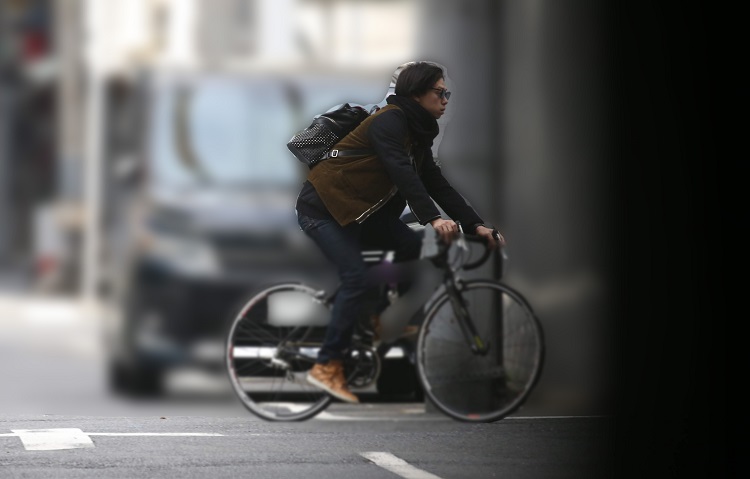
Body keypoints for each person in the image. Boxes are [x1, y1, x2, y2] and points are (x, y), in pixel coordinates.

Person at [295, 61, 505, 404]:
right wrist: (433, 219)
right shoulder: (388, 121)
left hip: (362, 214)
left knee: (418, 250)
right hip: (324, 210)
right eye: (440, 92)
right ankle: (326, 366)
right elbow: (400, 170)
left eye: (446, 92)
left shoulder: (416, 131)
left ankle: (368, 313)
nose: (446, 99)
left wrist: (476, 224)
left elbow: (434, 181)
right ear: (417, 93)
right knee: (356, 278)